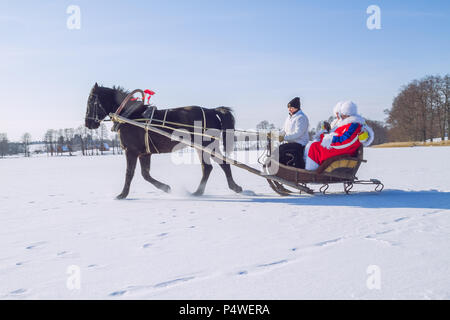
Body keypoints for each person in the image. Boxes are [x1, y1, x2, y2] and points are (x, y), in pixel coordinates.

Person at [304, 101, 374, 171]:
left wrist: (330, 140)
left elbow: (347, 141)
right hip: (341, 149)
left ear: (348, 114)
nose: (341, 116)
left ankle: (311, 170)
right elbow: (337, 135)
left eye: (343, 114)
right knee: (313, 145)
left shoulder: (354, 125)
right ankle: (310, 169)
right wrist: (324, 135)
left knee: (314, 147)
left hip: (344, 151)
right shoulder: (347, 124)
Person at [277, 97, 309, 168]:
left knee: (281, 148)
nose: (289, 109)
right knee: (279, 149)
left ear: (296, 107)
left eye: (291, 107)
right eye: (288, 107)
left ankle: (284, 168)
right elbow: (283, 130)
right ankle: (283, 167)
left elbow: (298, 133)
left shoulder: (301, 117)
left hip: (300, 143)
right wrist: (276, 135)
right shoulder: (289, 117)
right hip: (291, 143)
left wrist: (284, 138)